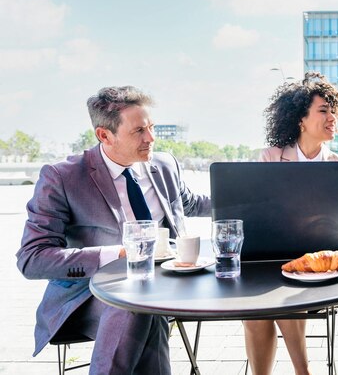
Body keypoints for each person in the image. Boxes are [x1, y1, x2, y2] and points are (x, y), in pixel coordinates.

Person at [16, 86, 211, 374]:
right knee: (138, 304)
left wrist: (250, 202)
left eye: (151, 127)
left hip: (171, 283)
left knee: (146, 305)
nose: (151, 138)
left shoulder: (163, 164)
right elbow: (33, 259)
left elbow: (188, 203)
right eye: (139, 131)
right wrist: (121, 254)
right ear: (104, 135)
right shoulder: (63, 177)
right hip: (93, 295)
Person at [244, 72, 338, 375]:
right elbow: (257, 213)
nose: (331, 118)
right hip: (271, 260)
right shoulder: (271, 158)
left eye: (333, 111)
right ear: (301, 118)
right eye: (323, 110)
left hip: (321, 266)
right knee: (255, 313)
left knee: (287, 288)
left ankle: (304, 372)